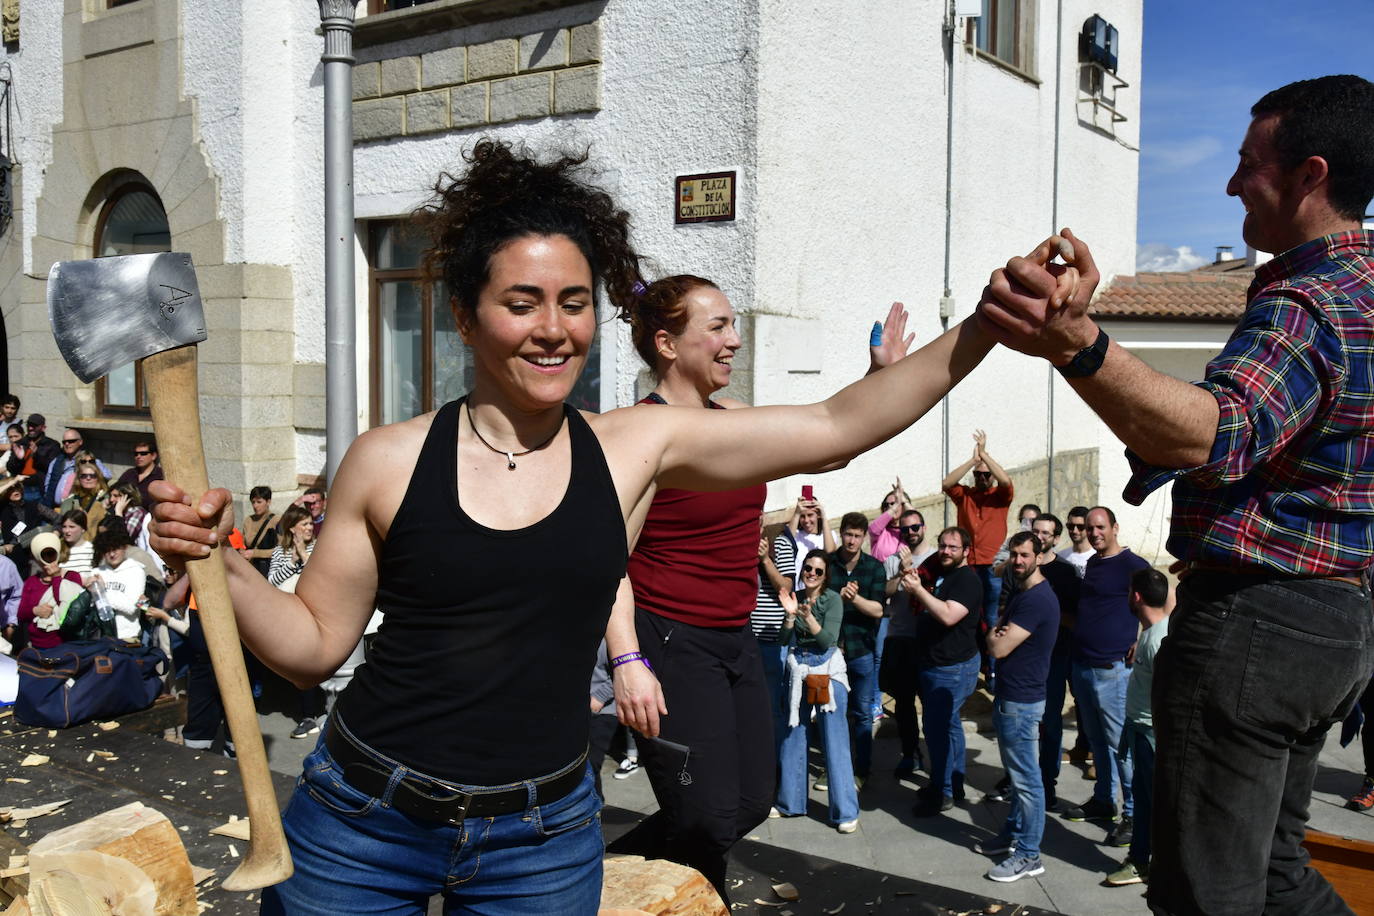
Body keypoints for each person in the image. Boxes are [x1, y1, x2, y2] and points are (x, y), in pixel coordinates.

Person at [150, 141, 995, 915]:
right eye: (522, 303)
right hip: (365, 822)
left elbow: (839, 423)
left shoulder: (637, 445)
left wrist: (993, 322)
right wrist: (225, 567)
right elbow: (311, 645)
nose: (554, 329)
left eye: (574, 304)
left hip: (543, 841)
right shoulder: (386, 460)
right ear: (463, 314)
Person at [978, 74, 1374, 916]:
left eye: (1247, 164)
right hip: (1335, 625)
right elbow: (1257, 444)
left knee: (1207, 896)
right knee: (1275, 874)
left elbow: (1215, 434)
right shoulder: (1365, 291)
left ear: (1309, 175)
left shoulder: (1308, 301)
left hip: (1258, 626)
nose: (1233, 184)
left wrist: (1076, 345)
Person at [976, 530, 1060, 883]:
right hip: (1012, 696)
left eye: (1025, 555)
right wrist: (996, 633)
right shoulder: (1022, 594)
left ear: (1040, 557)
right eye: (1014, 554)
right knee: (1018, 776)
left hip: (1022, 702)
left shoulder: (1037, 600)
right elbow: (997, 633)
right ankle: (1012, 836)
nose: (1018, 561)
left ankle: (1029, 855)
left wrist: (995, 636)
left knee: (1028, 781)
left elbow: (997, 647)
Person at [1060, 506, 1147, 845]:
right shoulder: (1094, 564)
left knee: (1120, 747)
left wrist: (1143, 637)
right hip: (1083, 666)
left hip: (1113, 670)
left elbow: (1164, 602)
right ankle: (1103, 801)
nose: (1094, 533)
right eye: (1090, 528)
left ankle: (1132, 814)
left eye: (1100, 527)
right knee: (1097, 744)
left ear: (1114, 528)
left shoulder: (1133, 565)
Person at [773, 549, 859, 832]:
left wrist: (808, 617)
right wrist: (789, 616)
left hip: (823, 673)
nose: (811, 573)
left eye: (818, 571)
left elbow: (827, 641)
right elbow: (784, 638)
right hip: (799, 670)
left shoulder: (832, 599)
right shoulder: (795, 595)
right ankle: (791, 803)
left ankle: (845, 812)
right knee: (794, 734)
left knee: (832, 739)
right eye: (807, 568)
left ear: (826, 576)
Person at [904, 526, 983, 816]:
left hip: (951, 668)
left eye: (952, 547)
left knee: (937, 732)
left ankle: (943, 792)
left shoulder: (967, 581)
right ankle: (954, 782)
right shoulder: (943, 573)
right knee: (949, 727)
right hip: (938, 663)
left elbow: (949, 615)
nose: (946, 551)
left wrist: (918, 591)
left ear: (966, 551)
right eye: (942, 546)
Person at [1105, 567, 1172, 887]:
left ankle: (1144, 862)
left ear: (1136, 596)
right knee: (1146, 800)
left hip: (1149, 736)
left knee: (1148, 802)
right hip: (1141, 732)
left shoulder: (1158, 641)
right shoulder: (1153, 631)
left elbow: (1169, 694)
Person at [827, 511, 887, 789]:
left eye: (857, 536)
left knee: (862, 713)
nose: (851, 540)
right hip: (829, 653)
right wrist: (837, 601)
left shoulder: (874, 567)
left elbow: (877, 610)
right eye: (848, 534)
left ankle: (861, 770)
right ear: (841, 534)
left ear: (864, 538)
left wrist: (855, 598)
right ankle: (833, 768)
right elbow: (815, 601)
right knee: (830, 713)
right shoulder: (827, 564)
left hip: (861, 650)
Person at [879, 507, 935, 780]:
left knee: (931, 702)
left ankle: (936, 755)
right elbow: (883, 593)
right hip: (899, 638)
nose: (910, 533)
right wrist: (902, 572)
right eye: (905, 529)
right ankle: (910, 753)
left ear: (923, 528)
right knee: (903, 703)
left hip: (927, 639)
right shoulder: (892, 560)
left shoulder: (936, 558)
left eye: (915, 527)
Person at [269, 504, 325, 741]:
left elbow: (321, 577)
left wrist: (303, 555)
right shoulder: (279, 552)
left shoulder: (319, 548)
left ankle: (315, 713)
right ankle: (308, 712)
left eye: (311, 523)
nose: (310, 528)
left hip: (315, 612)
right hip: (289, 614)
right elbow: (271, 581)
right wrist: (292, 562)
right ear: (292, 529)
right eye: (304, 524)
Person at [14, 532, 80, 652]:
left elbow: (69, 606)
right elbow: (21, 613)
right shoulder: (31, 582)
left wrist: (56, 577)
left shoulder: (72, 577)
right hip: (36, 646)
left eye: (51, 554)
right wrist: (35, 610)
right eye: (43, 555)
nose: (48, 559)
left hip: (64, 644)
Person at [90, 525, 147, 643]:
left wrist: (102, 591)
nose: (111, 554)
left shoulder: (136, 571)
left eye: (115, 549)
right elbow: (91, 604)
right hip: (101, 637)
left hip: (128, 636)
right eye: (107, 550)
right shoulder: (96, 572)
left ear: (124, 548)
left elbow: (132, 607)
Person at [781, 496, 835, 588]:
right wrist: (797, 512)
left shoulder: (827, 535)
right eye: (802, 516)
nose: (806, 520)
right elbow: (785, 541)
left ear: (817, 515)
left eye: (810, 515)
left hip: (819, 590)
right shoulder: (796, 534)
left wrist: (823, 515)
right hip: (797, 590)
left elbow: (830, 551)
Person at [8, 415, 60, 504]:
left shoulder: (51, 445)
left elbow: (51, 468)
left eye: (34, 426)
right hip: (20, 487)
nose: (30, 428)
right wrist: (19, 459)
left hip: (39, 489)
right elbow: (10, 468)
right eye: (28, 425)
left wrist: (37, 454)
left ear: (43, 427)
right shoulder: (20, 443)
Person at [58, 461, 109, 540]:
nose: (88, 478)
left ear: (98, 478)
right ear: (79, 479)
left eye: (93, 476)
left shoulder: (105, 498)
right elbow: (61, 522)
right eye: (84, 476)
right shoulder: (70, 500)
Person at [238, 485, 278, 578]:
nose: (255, 506)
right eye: (253, 502)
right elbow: (242, 543)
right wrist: (241, 551)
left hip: (268, 571)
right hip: (250, 570)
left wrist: (256, 553)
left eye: (259, 502)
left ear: (268, 502)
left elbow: (283, 551)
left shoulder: (276, 521)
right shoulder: (248, 520)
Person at [867, 480, 911, 563]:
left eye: (893, 503)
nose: (889, 507)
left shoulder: (910, 530)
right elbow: (872, 529)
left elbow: (917, 522)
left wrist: (904, 500)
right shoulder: (881, 531)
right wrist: (897, 504)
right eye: (886, 505)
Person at [114, 441, 164, 508]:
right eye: (136, 454)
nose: (138, 456)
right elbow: (115, 490)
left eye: (143, 453)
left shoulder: (161, 475)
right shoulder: (129, 473)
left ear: (153, 456)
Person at [1056, 506, 1094, 577]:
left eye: (1080, 527)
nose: (1075, 531)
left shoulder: (1097, 556)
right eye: (1071, 526)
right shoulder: (1061, 557)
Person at [57, 509, 95, 580]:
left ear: (83, 529)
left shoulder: (92, 550)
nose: (67, 531)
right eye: (64, 527)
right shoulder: (58, 549)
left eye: (72, 527)